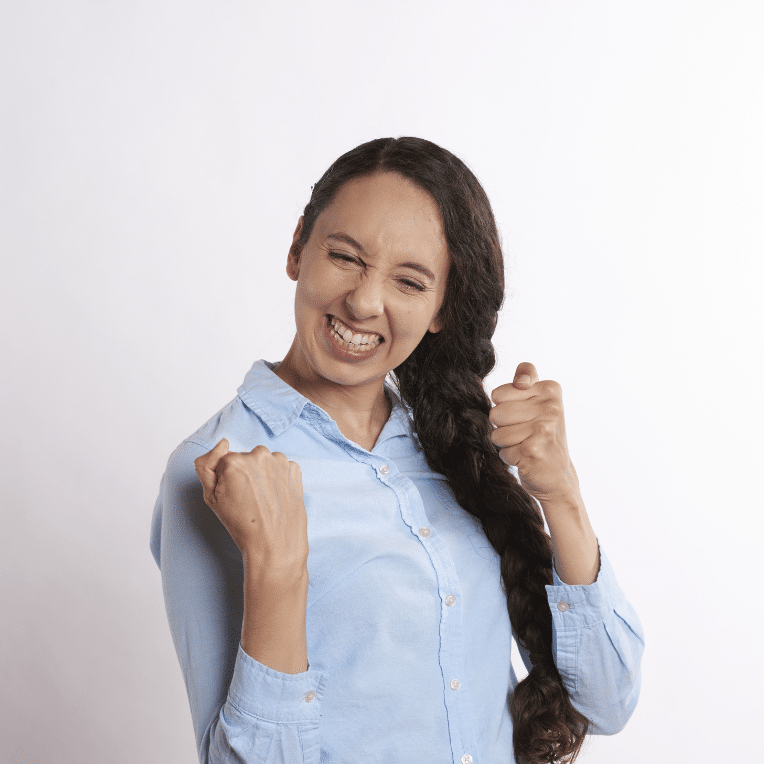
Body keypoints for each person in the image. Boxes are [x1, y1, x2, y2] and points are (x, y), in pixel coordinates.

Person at [150, 136, 645, 764]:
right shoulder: (216, 472)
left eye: (409, 281)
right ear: (298, 246)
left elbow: (609, 702)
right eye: (345, 257)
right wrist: (279, 574)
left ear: (441, 308)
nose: (363, 301)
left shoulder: (457, 446)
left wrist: (562, 496)